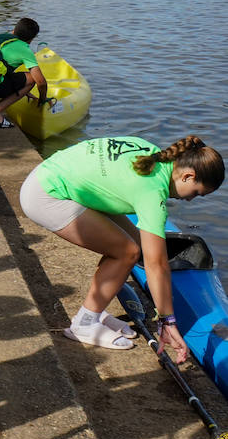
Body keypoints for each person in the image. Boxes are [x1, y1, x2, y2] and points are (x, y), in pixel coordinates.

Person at [20, 136, 222, 356]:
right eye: (196, 193)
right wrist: (168, 321)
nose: (191, 200)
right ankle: (84, 325)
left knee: (135, 243)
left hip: (48, 172)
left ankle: (94, 312)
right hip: (45, 195)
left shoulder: (152, 153)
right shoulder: (152, 193)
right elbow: (156, 264)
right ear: (187, 176)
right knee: (127, 252)